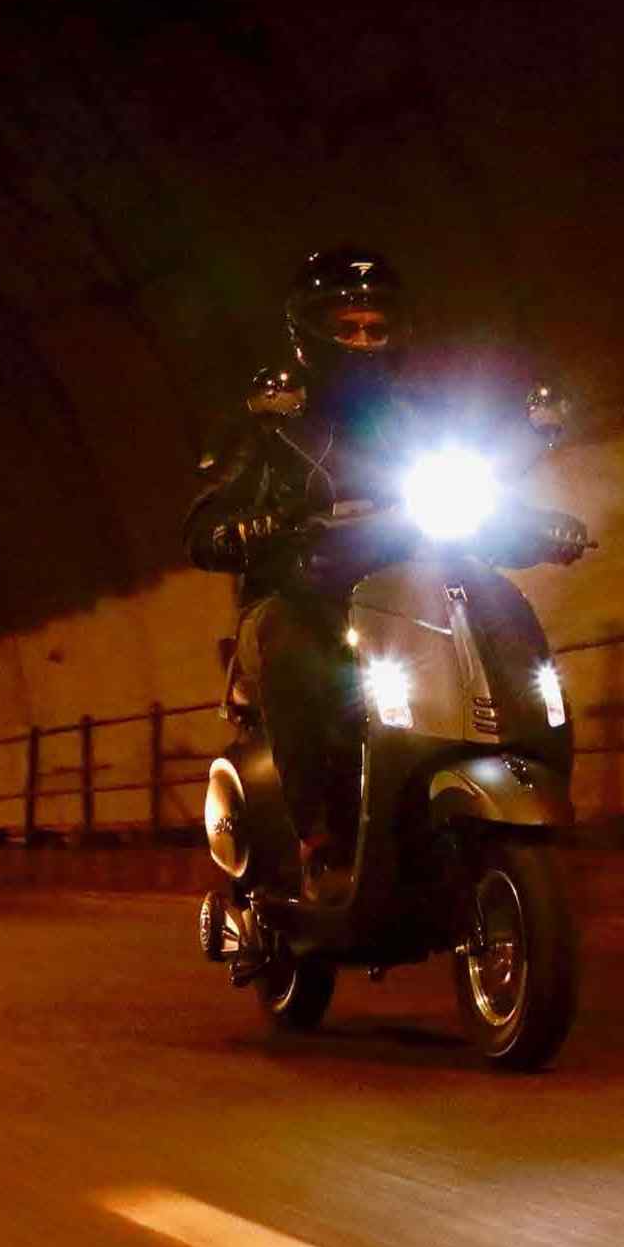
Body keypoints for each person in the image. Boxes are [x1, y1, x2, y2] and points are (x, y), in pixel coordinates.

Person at [183, 247, 416, 900]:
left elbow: (473, 476)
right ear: (310, 332)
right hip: (293, 597)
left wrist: (534, 521)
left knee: (484, 616)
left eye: (376, 327)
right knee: (294, 647)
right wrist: (250, 527)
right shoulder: (270, 425)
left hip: (398, 600)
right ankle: (317, 840)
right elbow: (203, 523)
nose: (363, 341)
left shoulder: (414, 421)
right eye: (348, 327)